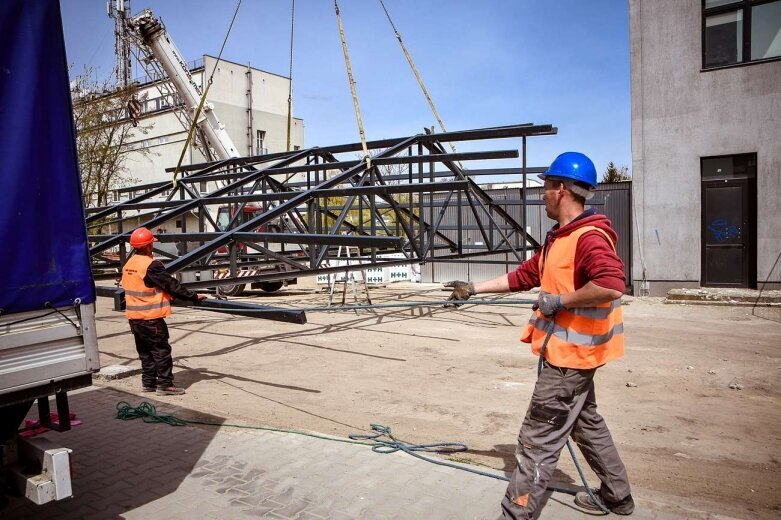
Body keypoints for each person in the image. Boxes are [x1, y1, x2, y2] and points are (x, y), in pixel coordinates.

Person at [445, 152, 633, 518]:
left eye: (546, 187)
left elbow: (611, 285)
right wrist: (472, 289)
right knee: (585, 423)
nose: (542, 194)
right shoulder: (560, 238)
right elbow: (525, 275)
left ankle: (515, 513)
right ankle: (617, 496)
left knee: (537, 441)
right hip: (571, 358)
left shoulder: (588, 238)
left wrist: (560, 301)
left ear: (561, 189)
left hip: (568, 362)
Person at [121, 227, 207, 396]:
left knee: (145, 352)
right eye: (151, 244)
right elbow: (171, 285)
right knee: (161, 351)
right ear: (147, 246)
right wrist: (193, 296)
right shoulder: (150, 265)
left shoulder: (128, 264)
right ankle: (165, 385)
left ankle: (148, 383)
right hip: (151, 317)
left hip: (134, 318)